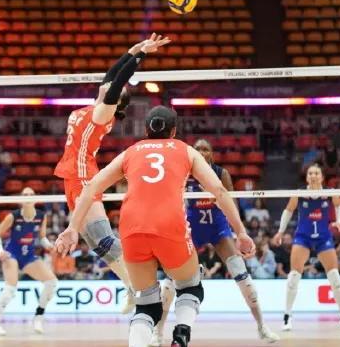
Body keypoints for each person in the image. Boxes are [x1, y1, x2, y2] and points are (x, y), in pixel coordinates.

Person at [55, 106, 255, 347]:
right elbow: (220, 192)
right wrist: (241, 232)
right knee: (191, 286)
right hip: (169, 224)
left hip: (131, 227)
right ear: (173, 131)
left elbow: (90, 189)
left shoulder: (130, 152)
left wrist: (72, 227)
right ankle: (181, 334)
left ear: (146, 130)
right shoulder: (185, 150)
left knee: (146, 304)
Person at [53, 34, 171, 313]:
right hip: (72, 176)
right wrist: (135, 49)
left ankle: (147, 285)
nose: (107, 83)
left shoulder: (102, 113)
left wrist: (141, 57)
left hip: (83, 176)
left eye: (113, 89)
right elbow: (113, 74)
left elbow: (118, 81)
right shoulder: (97, 106)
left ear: (115, 100)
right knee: (96, 243)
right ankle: (133, 287)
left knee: (103, 237)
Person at [151, 139, 278, 346]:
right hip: (191, 230)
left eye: (205, 149)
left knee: (243, 277)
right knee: (170, 282)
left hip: (218, 229)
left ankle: (262, 327)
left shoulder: (221, 173)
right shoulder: (184, 173)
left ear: (211, 153)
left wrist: (235, 226)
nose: (202, 152)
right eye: (198, 149)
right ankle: (157, 333)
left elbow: (232, 204)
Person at [272, 163, 340, 331]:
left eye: (316, 173)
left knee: (335, 278)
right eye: (310, 173)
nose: (313, 175)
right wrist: (280, 232)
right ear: (307, 177)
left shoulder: (329, 193)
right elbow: (288, 211)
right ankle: (287, 316)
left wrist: (339, 221)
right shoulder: (299, 194)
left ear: (322, 177)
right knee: (294, 277)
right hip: (303, 238)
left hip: (323, 238)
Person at [0, 186, 58, 335]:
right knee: (10, 289)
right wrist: (0, 251)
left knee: (52, 282)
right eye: (25, 195)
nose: (28, 197)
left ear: (35, 198)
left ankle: (38, 317)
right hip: (12, 254)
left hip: (29, 256)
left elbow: (42, 237)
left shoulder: (41, 216)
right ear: (20, 199)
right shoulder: (13, 216)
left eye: (31, 194)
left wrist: (49, 245)